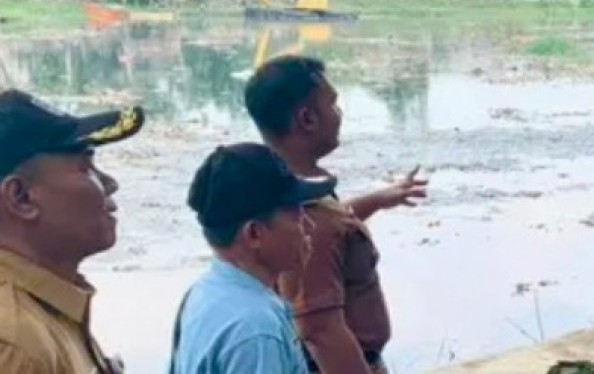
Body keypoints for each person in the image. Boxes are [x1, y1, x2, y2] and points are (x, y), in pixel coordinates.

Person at [244, 56, 428, 374]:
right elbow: (320, 331)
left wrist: (378, 200)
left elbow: (333, 223)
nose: (339, 114)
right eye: (333, 104)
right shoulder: (311, 225)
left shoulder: (292, 196)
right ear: (307, 118)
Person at [0, 89, 145, 374]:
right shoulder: (17, 344)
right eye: (86, 167)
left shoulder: (49, 303)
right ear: (21, 198)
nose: (110, 182)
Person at [170, 142, 337, 374]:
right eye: (296, 217)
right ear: (254, 234)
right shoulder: (256, 330)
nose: (308, 226)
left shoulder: (203, 293)